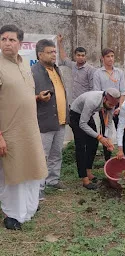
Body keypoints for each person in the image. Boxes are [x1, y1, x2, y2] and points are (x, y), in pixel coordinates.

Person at [0, 24, 47, 230]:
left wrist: (36, 98)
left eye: (11, 39)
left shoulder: (25, 64)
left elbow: (22, 94)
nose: (7, 43)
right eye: (3, 39)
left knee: (32, 168)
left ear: (20, 43)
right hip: (9, 131)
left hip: (30, 129)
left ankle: (29, 207)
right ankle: (13, 214)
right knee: (14, 173)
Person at [32, 39, 69, 200]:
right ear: (40, 54)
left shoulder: (56, 69)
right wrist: (38, 98)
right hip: (44, 121)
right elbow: (24, 97)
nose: (54, 55)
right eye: (50, 52)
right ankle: (38, 188)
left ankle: (53, 180)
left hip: (60, 120)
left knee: (56, 153)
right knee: (42, 156)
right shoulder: (33, 71)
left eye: (55, 52)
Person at [70, 88, 120, 189]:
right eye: (110, 105)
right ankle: (85, 180)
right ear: (105, 99)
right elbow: (82, 124)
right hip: (76, 115)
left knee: (93, 143)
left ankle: (88, 172)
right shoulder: (92, 101)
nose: (111, 107)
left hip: (88, 115)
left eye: (113, 106)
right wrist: (99, 137)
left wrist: (108, 138)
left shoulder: (112, 104)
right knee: (81, 146)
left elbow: (109, 123)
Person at [93, 48, 125, 161]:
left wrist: (120, 107)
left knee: (122, 129)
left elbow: (123, 92)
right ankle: (108, 160)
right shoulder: (98, 73)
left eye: (112, 56)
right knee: (106, 133)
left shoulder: (119, 72)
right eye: (108, 56)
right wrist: (105, 106)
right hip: (105, 107)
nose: (110, 58)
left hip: (118, 106)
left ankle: (124, 157)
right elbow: (97, 92)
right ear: (102, 58)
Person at [57, 34, 96, 102]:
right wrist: (60, 43)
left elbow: (92, 88)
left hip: (84, 101)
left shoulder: (90, 69)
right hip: (73, 101)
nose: (81, 57)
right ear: (75, 56)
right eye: (78, 55)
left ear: (85, 57)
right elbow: (64, 58)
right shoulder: (73, 65)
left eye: (83, 55)